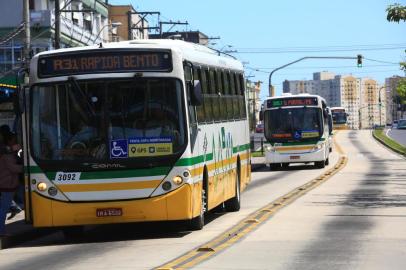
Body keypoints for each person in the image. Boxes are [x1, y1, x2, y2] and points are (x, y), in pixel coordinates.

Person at [0, 141, 23, 237]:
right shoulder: (7, 157)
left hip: (9, 185)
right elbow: (14, 168)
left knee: (4, 207)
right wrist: (29, 166)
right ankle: (1, 231)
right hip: (7, 185)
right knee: (3, 209)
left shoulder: (9, 156)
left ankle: (15, 208)